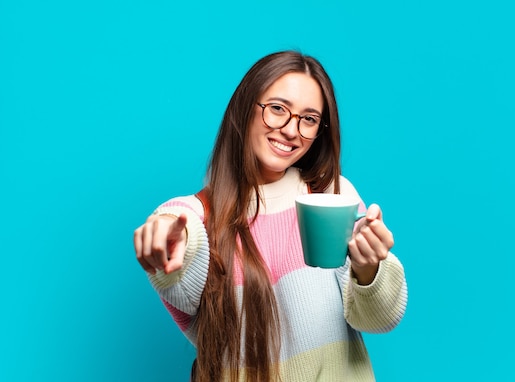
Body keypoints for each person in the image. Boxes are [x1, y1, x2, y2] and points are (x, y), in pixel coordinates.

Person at [133, 51, 408, 382]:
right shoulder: (201, 216)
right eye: (277, 109)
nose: (291, 130)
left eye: (308, 119)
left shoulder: (334, 196)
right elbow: (182, 224)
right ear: (246, 108)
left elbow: (381, 319)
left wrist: (370, 269)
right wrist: (165, 229)